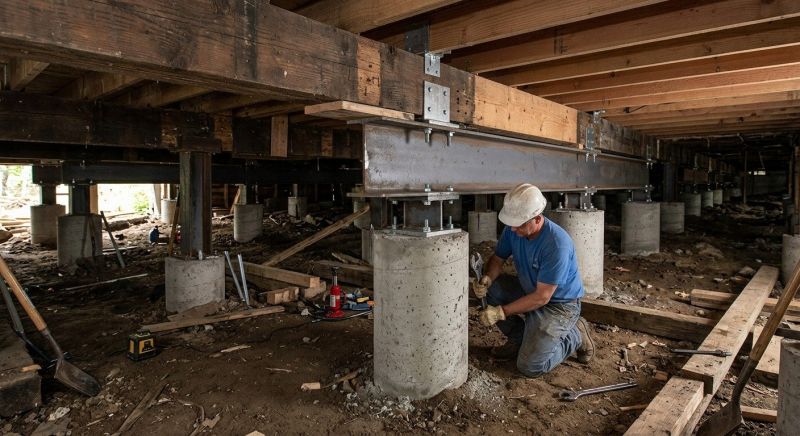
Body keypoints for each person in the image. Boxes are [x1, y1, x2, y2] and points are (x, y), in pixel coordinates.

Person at [472, 183, 595, 378]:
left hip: (558, 305)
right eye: (511, 223)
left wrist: (501, 312)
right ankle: (520, 339)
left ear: (537, 219)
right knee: (493, 289)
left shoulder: (556, 244)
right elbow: (497, 258)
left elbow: (542, 298)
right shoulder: (515, 230)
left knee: (530, 367)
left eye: (519, 224)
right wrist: (488, 278)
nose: (513, 228)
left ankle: (575, 335)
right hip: (531, 291)